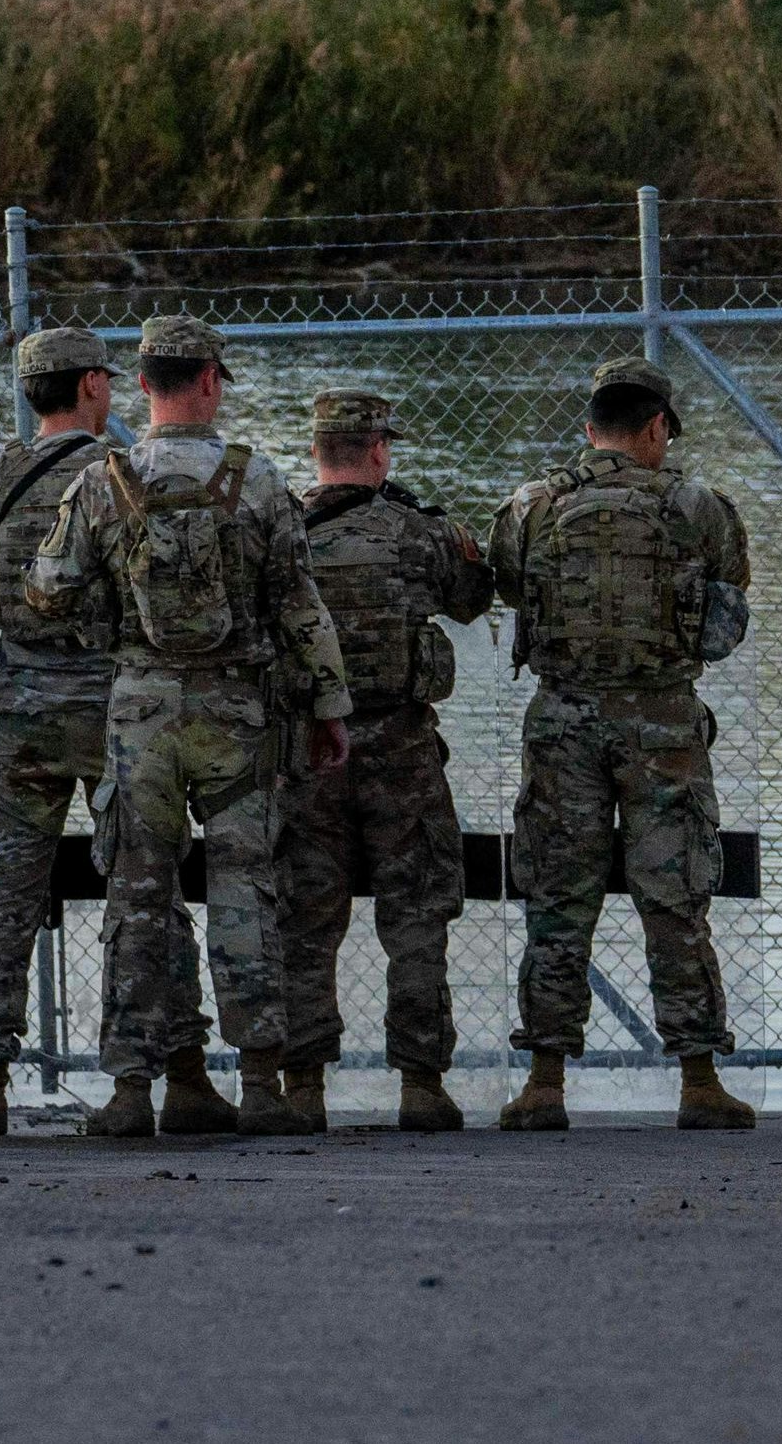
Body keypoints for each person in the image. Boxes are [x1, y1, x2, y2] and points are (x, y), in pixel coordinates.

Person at [22, 313, 349, 1138]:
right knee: (246, 889)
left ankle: (133, 1088)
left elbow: (48, 589)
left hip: (140, 716)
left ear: (142, 384)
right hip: (238, 714)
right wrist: (329, 706)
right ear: (209, 382)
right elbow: (299, 605)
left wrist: (110, 607)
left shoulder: (105, 481)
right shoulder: (261, 481)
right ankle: (264, 1085)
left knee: (138, 897)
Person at [488, 354, 757, 1133]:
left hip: (563, 723)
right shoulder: (699, 506)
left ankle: (544, 1082)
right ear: (655, 428)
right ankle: (700, 1079)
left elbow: (509, 588)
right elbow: (726, 611)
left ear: (590, 430)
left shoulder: (532, 506)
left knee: (557, 901)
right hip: (664, 725)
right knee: (675, 896)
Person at [273, 388, 490, 1131]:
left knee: (304, 917)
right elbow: (471, 597)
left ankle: (301, 1089)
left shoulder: (284, 533)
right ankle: (422, 1085)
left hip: (308, 749)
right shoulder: (417, 532)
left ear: (316, 453)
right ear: (378, 451)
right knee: (419, 912)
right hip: (400, 745)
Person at [0, 327, 120, 1136]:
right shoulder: (123, 473)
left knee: (5, 896)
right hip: (114, 708)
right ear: (91, 385)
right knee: (139, 890)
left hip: (21, 709)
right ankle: (156, 1073)